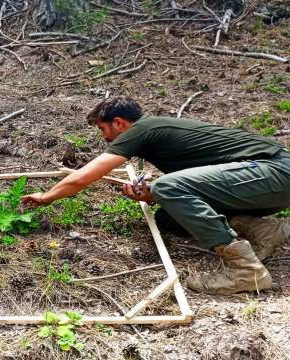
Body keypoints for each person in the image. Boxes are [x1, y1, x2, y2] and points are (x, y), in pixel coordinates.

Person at [21, 96, 290, 295]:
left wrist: (46, 197)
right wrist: (152, 196)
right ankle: (265, 229)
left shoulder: (142, 128)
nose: (105, 139)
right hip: (268, 184)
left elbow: (82, 177)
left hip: (274, 171)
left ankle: (245, 270)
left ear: (118, 123)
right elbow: (195, 191)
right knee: (169, 217)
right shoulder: (156, 131)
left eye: (104, 130)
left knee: (167, 186)